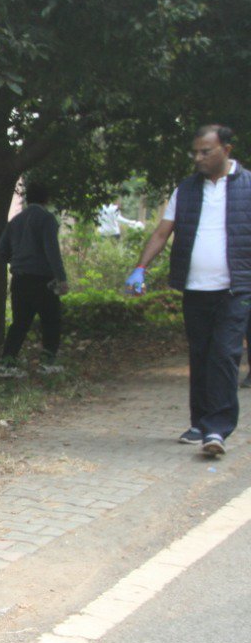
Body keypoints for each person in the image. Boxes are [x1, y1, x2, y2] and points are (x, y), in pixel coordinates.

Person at [126, 124, 251, 456]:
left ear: (226, 149)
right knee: (201, 355)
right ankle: (200, 422)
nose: (198, 157)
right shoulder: (187, 190)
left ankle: (218, 429)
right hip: (195, 290)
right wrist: (141, 268)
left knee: (225, 355)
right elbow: (161, 232)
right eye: (195, 152)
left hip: (235, 289)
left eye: (205, 151)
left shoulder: (248, 186)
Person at [0, 182, 68, 377]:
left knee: (20, 322)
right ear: (47, 199)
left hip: (20, 279)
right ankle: (47, 361)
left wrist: (18, 261)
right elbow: (52, 251)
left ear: (28, 199)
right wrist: (61, 278)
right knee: (51, 320)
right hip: (43, 280)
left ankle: (7, 363)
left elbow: (1, 251)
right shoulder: (47, 219)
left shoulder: (16, 220)